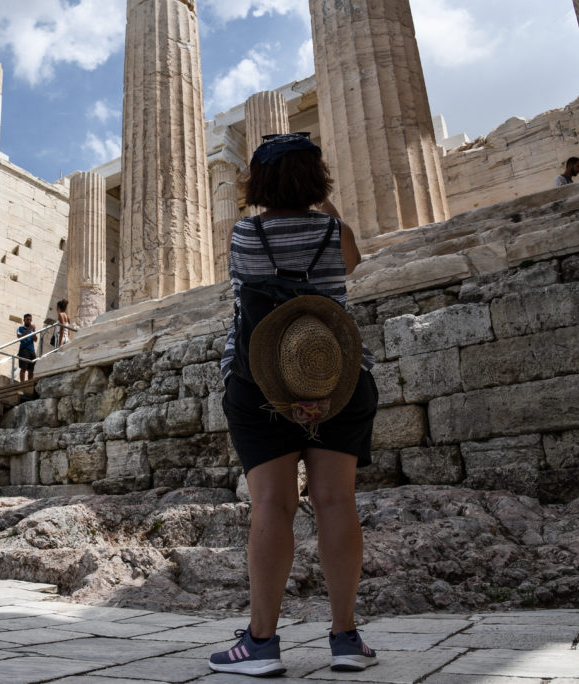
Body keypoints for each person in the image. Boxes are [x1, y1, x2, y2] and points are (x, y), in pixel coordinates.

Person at [209, 133, 379, 677]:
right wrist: (320, 202)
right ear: (315, 179)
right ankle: (346, 638)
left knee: (272, 507)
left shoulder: (246, 234)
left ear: (259, 183)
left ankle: (261, 644)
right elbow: (352, 264)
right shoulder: (336, 232)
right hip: (338, 378)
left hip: (261, 382)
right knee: (337, 503)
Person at [16, 314, 37, 382]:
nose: (29, 321)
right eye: (27, 319)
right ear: (24, 320)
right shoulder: (20, 328)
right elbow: (19, 337)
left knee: (31, 370)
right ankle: (22, 383)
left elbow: (35, 339)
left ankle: (29, 383)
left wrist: (33, 331)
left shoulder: (32, 330)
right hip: (24, 349)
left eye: (30, 320)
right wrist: (29, 329)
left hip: (32, 350)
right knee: (23, 368)